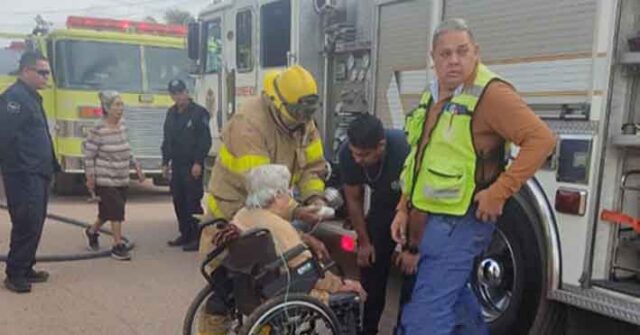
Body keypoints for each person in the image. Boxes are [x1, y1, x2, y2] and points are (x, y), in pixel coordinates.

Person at [392, 18, 556, 334]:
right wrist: (403, 207)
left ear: (476, 53)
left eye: (462, 51)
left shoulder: (491, 94)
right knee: (456, 305)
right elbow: (420, 158)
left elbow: (542, 140)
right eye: (445, 54)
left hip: (462, 222)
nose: (454, 60)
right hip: (433, 221)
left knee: (424, 320)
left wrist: (499, 192)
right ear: (433, 57)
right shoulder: (434, 93)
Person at [198, 64, 330, 335]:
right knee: (227, 289)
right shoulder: (249, 124)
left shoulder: (303, 121)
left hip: (272, 209)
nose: (301, 120)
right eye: (296, 114)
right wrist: (296, 213)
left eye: (307, 114)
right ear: (276, 101)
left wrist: (314, 198)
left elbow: (313, 166)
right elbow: (261, 188)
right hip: (235, 212)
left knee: (267, 287)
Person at [338, 114, 411, 334]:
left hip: (413, 208)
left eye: (363, 155)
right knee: (371, 270)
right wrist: (364, 242)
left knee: (411, 273)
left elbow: (416, 199)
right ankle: (369, 329)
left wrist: (407, 247)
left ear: (381, 146)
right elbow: (354, 198)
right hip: (382, 206)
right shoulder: (348, 154)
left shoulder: (405, 150)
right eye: (354, 153)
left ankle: (405, 328)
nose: (357, 159)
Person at [0, 52, 60, 293]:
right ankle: (15, 274)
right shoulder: (14, 99)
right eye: (42, 72)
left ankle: (25, 267)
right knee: (26, 221)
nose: (47, 77)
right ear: (26, 71)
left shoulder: (31, 98)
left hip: (38, 171)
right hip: (23, 173)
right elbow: (4, 137)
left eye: (48, 72)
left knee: (35, 221)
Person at [83, 91, 145, 261]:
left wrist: (137, 167)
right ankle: (117, 245)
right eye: (116, 105)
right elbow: (89, 155)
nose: (120, 109)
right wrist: (90, 177)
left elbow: (127, 147)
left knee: (106, 212)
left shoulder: (123, 125)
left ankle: (92, 231)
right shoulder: (98, 128)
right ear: (106, 108)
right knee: (117, 210)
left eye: (121, 105)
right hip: (105, 177)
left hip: (122, 176)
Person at [162, 79, 212, 252]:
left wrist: (198, 162)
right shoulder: (171, 113)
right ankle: (184, 234)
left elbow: (205, 141)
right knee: (178, 200)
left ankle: (197, 237)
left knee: (193, 201)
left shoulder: (199, 113)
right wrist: (164, 162)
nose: (178, 96)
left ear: (186, 92)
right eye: (174, 93)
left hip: (192, 165)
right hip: (177, 164)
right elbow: (167, 139)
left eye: (180, 92)